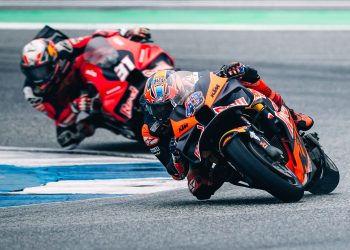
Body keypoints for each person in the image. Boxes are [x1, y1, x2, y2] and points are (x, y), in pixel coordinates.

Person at [141, 63, 314, 200]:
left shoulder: (187, 83)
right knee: (199, 189)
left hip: (206, 115)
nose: (165, 110)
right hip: (194, 148)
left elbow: (208, 80)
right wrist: (175, 156)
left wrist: (234, 70)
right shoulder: (151, 132)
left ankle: (290, 112)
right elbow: (176, 174)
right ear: (150, 108)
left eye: (169, 103)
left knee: (245, 77)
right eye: (161, 108)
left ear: (177, 91)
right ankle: (230, 169)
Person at [21, 27, 151, 149]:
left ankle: (141, 77)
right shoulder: (34, 94)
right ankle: (102, 120)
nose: (38, 77)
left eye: (42, 70)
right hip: (81, 101)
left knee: (97, 56)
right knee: (67, 139)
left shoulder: (63, 48)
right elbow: (59, 117)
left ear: (54, 61)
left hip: (92, 76)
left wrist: (126, 32)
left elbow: (96, 37)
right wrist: (74, 107)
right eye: (32, 72)